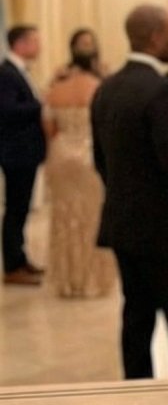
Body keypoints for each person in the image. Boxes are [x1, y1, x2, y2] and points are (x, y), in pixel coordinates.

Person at [92, 6, 168, 378]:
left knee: (136, 316)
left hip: (124, 222)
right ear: (156, 37)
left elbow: (100, 160)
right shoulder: (161, 91)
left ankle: (135, 391)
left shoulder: (106, 87)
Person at [43, 43, 115, 298]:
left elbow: (50, 131)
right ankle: (92, 280)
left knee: (63, 218)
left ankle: (67, 280)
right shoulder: (100, 88)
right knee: (92, 217)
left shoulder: (55, 90)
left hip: (61, 155)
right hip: (89, 155)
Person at [0, 24, 47, 286]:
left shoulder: (17, 71)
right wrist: (42, 103)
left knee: (22, 207)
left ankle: (19, 257)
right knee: (16, 208)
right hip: (16, 152)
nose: (38, 47)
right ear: (20, 44)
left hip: (24, 151)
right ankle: (12, 265)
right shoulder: (6, 73)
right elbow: (7, 110)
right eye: (35, 41)